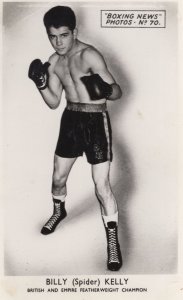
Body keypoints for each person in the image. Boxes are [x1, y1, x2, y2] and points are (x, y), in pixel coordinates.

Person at [28, 6, 122, 271]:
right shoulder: (54, 62)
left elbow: (117, 92)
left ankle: (112, 241)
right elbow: (53, 102)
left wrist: (105, 89)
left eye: (64, 35)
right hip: (70, 120)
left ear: (74, 32)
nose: (58, 42)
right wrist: (41, 84)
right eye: (53, 36)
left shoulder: (90, 55)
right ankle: (59, 211)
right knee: (57, 178)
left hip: (95, 121)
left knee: (101, 185)